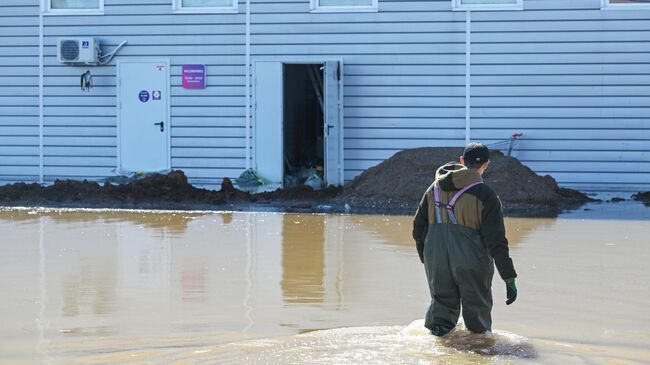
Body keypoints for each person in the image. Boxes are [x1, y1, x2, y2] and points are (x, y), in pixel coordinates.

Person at [412, 143, 517, 336]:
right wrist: (509, 278)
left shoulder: (433, 189)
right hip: (472, 264)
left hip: (437, 261)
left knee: (440, 320)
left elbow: (418, 228)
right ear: (486, 164)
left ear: (461, 161)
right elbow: (497, 242)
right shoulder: (486, 195)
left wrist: (427, 258)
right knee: (478, 325)